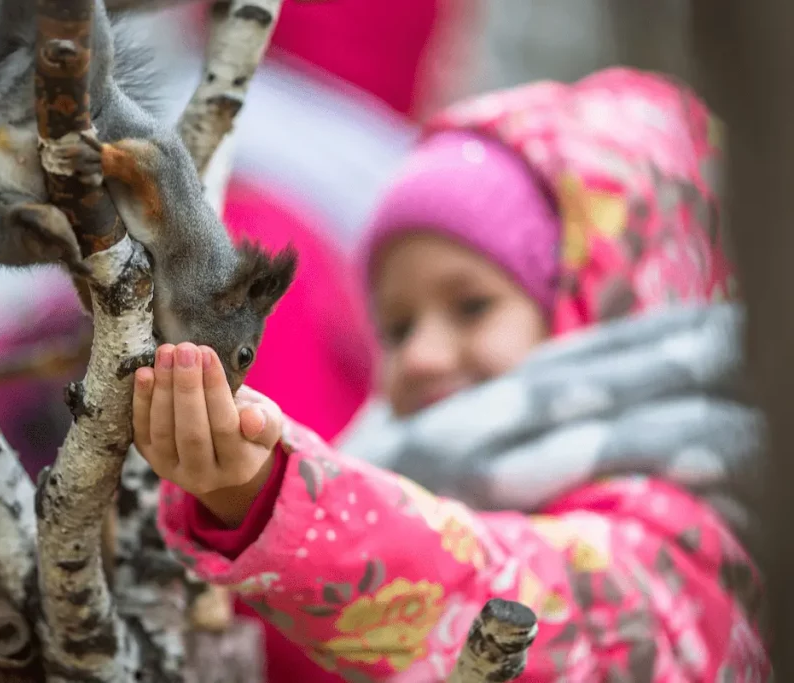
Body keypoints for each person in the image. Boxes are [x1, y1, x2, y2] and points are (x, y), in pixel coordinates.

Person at [136, 67, 770, 681]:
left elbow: (510, 596)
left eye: (472, 306)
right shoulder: (383, 459)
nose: (422, 355)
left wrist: (275, 497)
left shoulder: (690, 538)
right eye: (398, 326)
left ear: (602, 309)